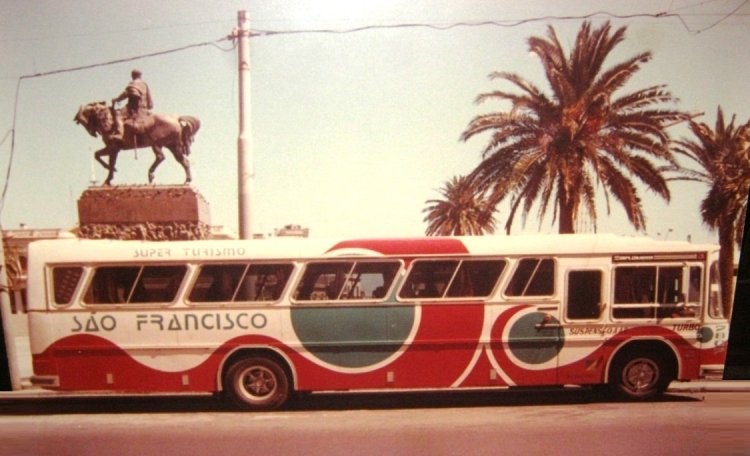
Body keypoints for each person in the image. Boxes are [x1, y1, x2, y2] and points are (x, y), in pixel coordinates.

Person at [111, 69, 154, 141]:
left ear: (133, 75)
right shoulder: (144, 84)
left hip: (135, 107)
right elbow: (150, 102)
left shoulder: (133, 83)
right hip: (144, 109)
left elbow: (127, 93)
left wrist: (116, 99)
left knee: (117, 114)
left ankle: (120, 134)